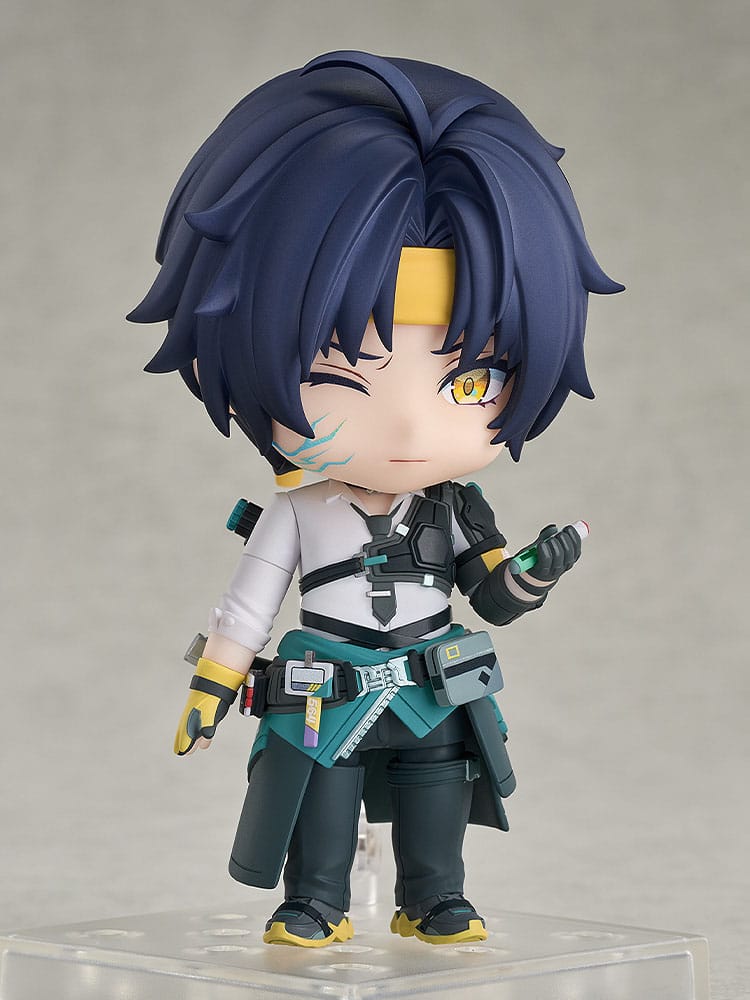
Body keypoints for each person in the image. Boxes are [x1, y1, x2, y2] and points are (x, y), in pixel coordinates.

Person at [128, 50, 622, 947]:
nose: (407, 430)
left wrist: (536, 572)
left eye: (471, 382)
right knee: (319, 797)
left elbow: (492, 594)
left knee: (439, 791)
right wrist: (214, 682)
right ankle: (315, 900)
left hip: (433, 681)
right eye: (338, 373)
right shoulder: (297, 510)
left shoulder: (457, 507)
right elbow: (249, 603)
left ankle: (433, 897)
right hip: (325, 682)